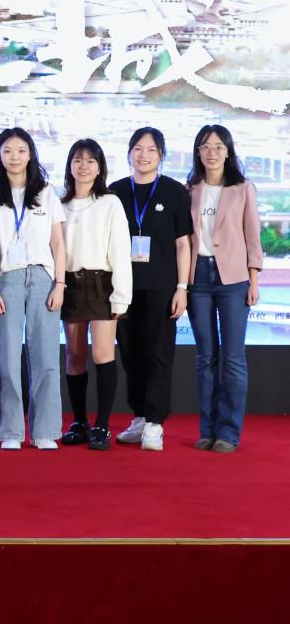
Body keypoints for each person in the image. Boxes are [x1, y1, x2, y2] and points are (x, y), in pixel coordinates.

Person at [0, 127, 66, 451]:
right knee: (7, 358)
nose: (14, 157)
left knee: (46, 358)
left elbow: (58, 243)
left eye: (20, 150)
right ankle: (11, 431)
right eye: (7, 151)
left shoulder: (45, 192)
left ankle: (45, 431)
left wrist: (60, 284)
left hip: (43, 278)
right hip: (7, 279)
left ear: (30, 154)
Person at [111, 127, 191, 452]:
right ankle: (140, 416)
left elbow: (183, 244)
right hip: (123, 287)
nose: (144, 155)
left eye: (151, 150)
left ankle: (156, 423)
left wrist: (182, 288)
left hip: (161, 287)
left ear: (161, 155)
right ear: (129, 152)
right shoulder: (116, 191)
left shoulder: (174, 192)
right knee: (130, 354)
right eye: (138, 149)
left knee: (158, 354)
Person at [185, 125, 262, 453]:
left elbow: (252, 236)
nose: (212, 152)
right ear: (198, 152)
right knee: (205, 357)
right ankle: (207, 429)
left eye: (218, 146)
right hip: (198, 278)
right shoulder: (189, 189)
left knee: (232, 358)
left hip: (234, 278)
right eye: (205, 146)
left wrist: (254, 279)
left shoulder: (243, 189)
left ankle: (228, 433)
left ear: (228, 151)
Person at [59, 139, 131, 451]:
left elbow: (121, 251)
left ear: (100, 167)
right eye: (78, 160)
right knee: (74, 356)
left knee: (102, 354)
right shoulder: (59, 203)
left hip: (102, 284)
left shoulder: (110, 203)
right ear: (69, 165)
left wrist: (121, 296)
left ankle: (102, 424)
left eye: (91, 160)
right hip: (69, 284)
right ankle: (79, 421)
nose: (84, 166)